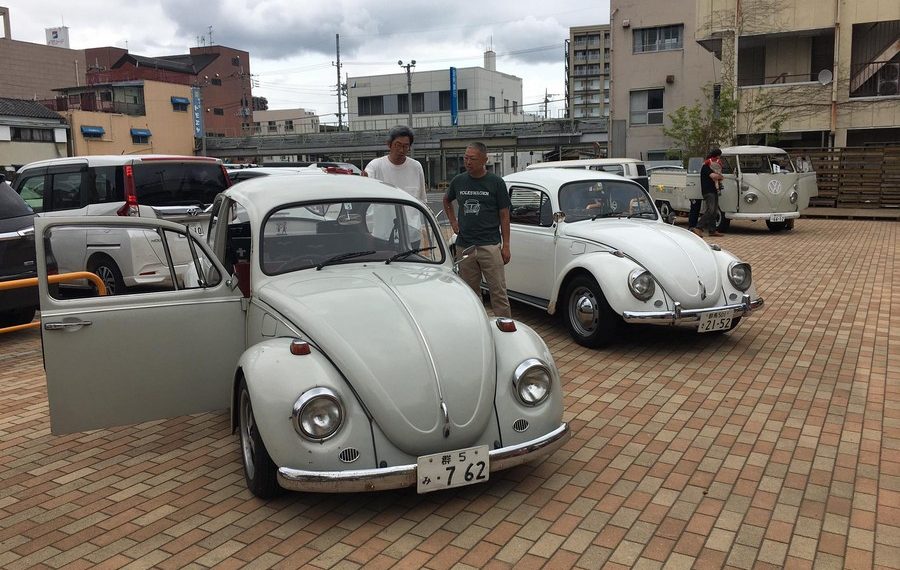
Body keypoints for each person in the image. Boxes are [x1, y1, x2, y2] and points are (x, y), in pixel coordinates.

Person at [443, 142, 512, 318]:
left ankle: (504, 325)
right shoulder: (459, 181)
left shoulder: (496, 183)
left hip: (489, 245)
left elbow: (504, 215)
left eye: (472, 159)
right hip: (465, 245)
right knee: (470, 293)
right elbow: (446, 200)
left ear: (484, 160)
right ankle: (476, 324)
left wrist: (506, 245)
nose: (467, 162)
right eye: (465, 158)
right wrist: (453, 222)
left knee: (498, 292)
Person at [363, 125, 426, 203]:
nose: (401, 150)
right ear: (389, 144)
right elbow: (366, 188)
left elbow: (422, 200)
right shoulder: (375, 166)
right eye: (398, 145)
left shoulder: (416, 167)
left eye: (405, 146)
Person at [698, 148, 725, 237]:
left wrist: (719, 177)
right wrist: (720, 176)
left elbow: (718, 176)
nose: (718, 159)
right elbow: (714, 176)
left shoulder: (712, 166)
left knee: (714, 211)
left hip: (714, 190)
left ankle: (712, 230)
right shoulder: (706, 167)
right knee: (710, 210)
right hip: (708, 191)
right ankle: (698, 227)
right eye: (717, 157)